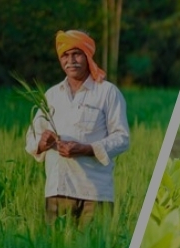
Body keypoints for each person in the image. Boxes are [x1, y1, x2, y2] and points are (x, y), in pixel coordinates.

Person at [25, 30, 130, 225]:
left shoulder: (107, 92)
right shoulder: (51, 95)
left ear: (88, 56)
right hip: (58, 191)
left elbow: (122, 138)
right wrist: (42, 142)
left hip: (95, 193)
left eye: (77, 54)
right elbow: (31, 137)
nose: (70, 60)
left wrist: (87, 149)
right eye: (65, 55)